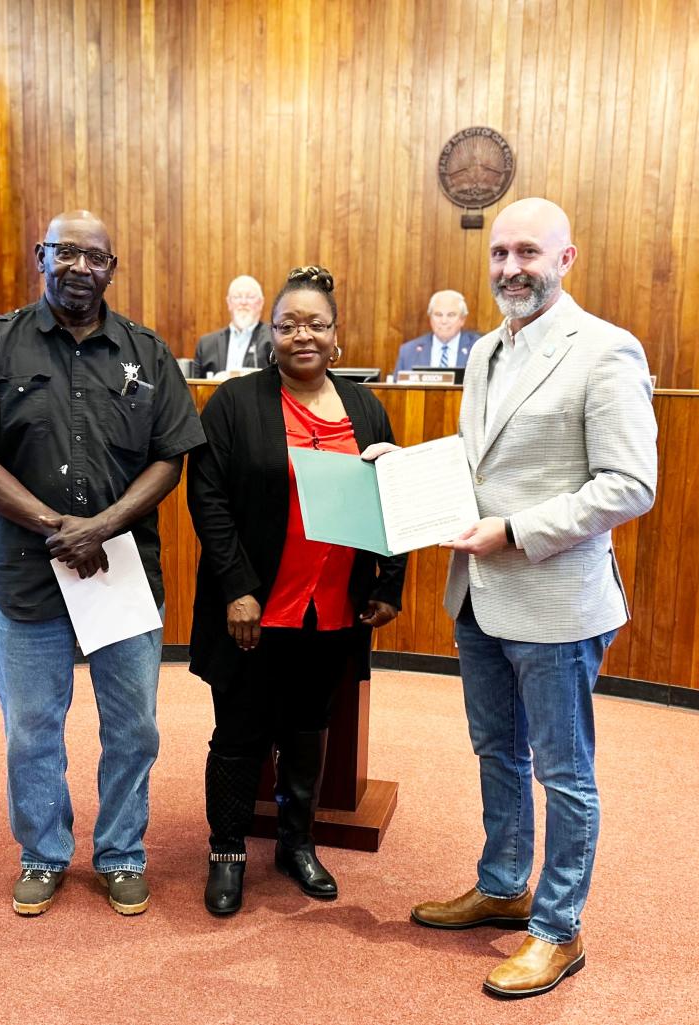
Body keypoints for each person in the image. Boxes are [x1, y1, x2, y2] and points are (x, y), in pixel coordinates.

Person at [378, 198, 657, 998]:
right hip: (480, 595)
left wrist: (516, 530)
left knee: (564, 772)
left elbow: (630, 484)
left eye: (528, 252)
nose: (510, 268)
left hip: (557, 600)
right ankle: (503, 881)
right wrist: (407, 469)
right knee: (497, 750)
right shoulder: (488, 351)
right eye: (500, 253)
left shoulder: (604, 350)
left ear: (566, 258)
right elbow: (481, 462)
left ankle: (557, 928)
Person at [0, 209, 205, 918]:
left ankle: (119, 852)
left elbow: (172, 456)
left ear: (113, 268)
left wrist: (104, 526)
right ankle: (44, 851)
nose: (80, 267)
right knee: (31, 726)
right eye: (66, 253)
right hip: (28, 571)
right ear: (40, 257)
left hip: (120, 569)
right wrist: (58, 527)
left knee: (134, 725)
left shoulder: (146, 350)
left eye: (95, 257)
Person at [187, 266, 408, 916]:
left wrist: (388, 584)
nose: (301, 335)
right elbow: (209, 499)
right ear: (270, 334)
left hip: (333, 607)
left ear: (337, 336)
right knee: (239, 733)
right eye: (287, 325)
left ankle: (296, 841)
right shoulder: (233, 403)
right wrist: (237, 588)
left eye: (315, 324)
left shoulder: (366, 408)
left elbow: (389, 497)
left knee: (311, 727)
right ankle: (227, 851)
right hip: (255, 609)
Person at [192, 275, 271, 377]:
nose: (243, 302)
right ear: (229, 303)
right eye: (237, 297)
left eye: (250, 297)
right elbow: (195, 388)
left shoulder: (273, 340)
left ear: (261, 303)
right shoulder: (206, 345)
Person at [393, 289, 480, 375]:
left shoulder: (479, 349)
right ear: (430, 318)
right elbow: (396, 388)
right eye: (438, 314)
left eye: (451, 315)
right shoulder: (408, 351)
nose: (444, 321)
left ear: (462, 319)